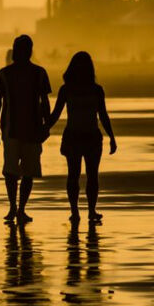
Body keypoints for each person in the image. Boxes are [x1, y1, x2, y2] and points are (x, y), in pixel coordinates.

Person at [46, 52, 117, 224]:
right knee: (91, 176)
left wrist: (43, 129)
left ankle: (76, 211)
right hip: (90, 136)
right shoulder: (96, 90)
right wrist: (111, 137)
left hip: (75, 136)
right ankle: (90, 211)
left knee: (74, 175)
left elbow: (55, 115)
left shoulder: (68, 89)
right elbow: (103, 116)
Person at [0, 35, 51, 224]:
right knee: (15, 172)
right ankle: (15, 208)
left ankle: (18, 209)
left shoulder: (38, 73)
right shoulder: (4, 74)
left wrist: (46, 126)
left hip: (27, 130)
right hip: (13, 129)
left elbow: (45, 102)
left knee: (23, 172)